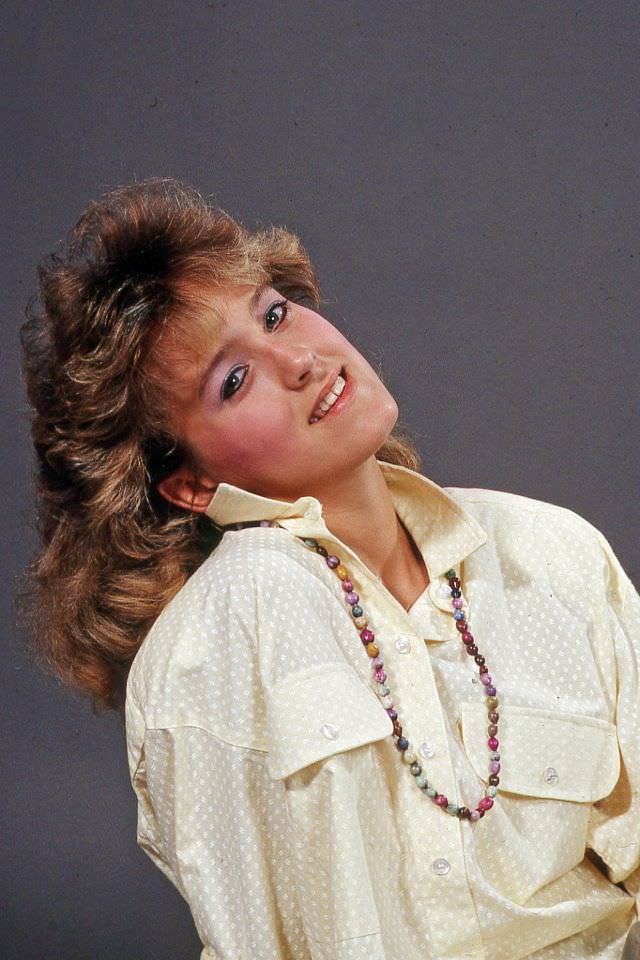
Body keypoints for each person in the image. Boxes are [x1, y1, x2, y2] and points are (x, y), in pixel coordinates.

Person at [20, 178, 640, 960]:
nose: (300, 359)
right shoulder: (221, 641)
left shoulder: (549, 549)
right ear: (191, 484)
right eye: (233, 380)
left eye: (274, 312)